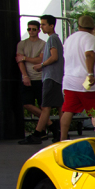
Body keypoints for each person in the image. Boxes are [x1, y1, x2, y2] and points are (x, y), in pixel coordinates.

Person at [60, 15, 95, 142]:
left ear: (79, 26)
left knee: (68, 110)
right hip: (86, 81)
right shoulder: (90, 38)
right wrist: (90, 74)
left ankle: (62, 138)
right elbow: (89, 55)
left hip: (70, 80)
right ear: (93, 28)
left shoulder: (69, 39)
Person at [19, 15, 64, 145]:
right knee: (58, 106)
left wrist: (42, 65)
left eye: (43, 24)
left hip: (50, 77)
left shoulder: (51, 39)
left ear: (51, 25)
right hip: (55, 76)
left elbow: (54, 57)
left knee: (45, 106)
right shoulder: (55, 39)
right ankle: (61, 133)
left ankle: (38, 134)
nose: (42, 27)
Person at [15, 19, 44, 132]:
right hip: (28, 77)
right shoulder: (22, 44)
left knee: (43, 105)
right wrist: (25, 76)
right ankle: (50, 123)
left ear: (38, 30)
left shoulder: (43, 44)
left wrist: (25, 58)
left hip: (39, 77)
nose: (31, 31)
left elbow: (40, 59)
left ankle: (44, 128)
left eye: (33, 29)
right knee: (27, 103)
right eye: (29, 29)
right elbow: (19, 60)